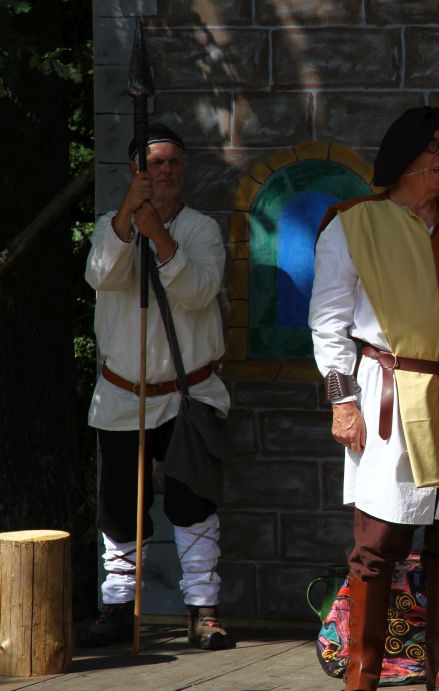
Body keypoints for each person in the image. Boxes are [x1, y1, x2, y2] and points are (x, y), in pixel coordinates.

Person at [309, 106, 439, 691]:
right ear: (405, 159)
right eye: (434, 146)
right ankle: (363, 671)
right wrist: (342, 401)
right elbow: (328, 322)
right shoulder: (352, 224)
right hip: (387, 395)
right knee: (378, 543)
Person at [81, 123, 231, 650]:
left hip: (188, 395)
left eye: (174, 162)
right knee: (121, 507)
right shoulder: (110, 227)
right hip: (123, 395)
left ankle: (203, 609)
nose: (167, 171)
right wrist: (131, 217)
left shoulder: (201, 230)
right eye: (156, 163)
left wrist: (160, 236)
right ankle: (118, 606)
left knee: (194, 504)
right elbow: (101, 274)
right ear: (136, 171)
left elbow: (198, 292)